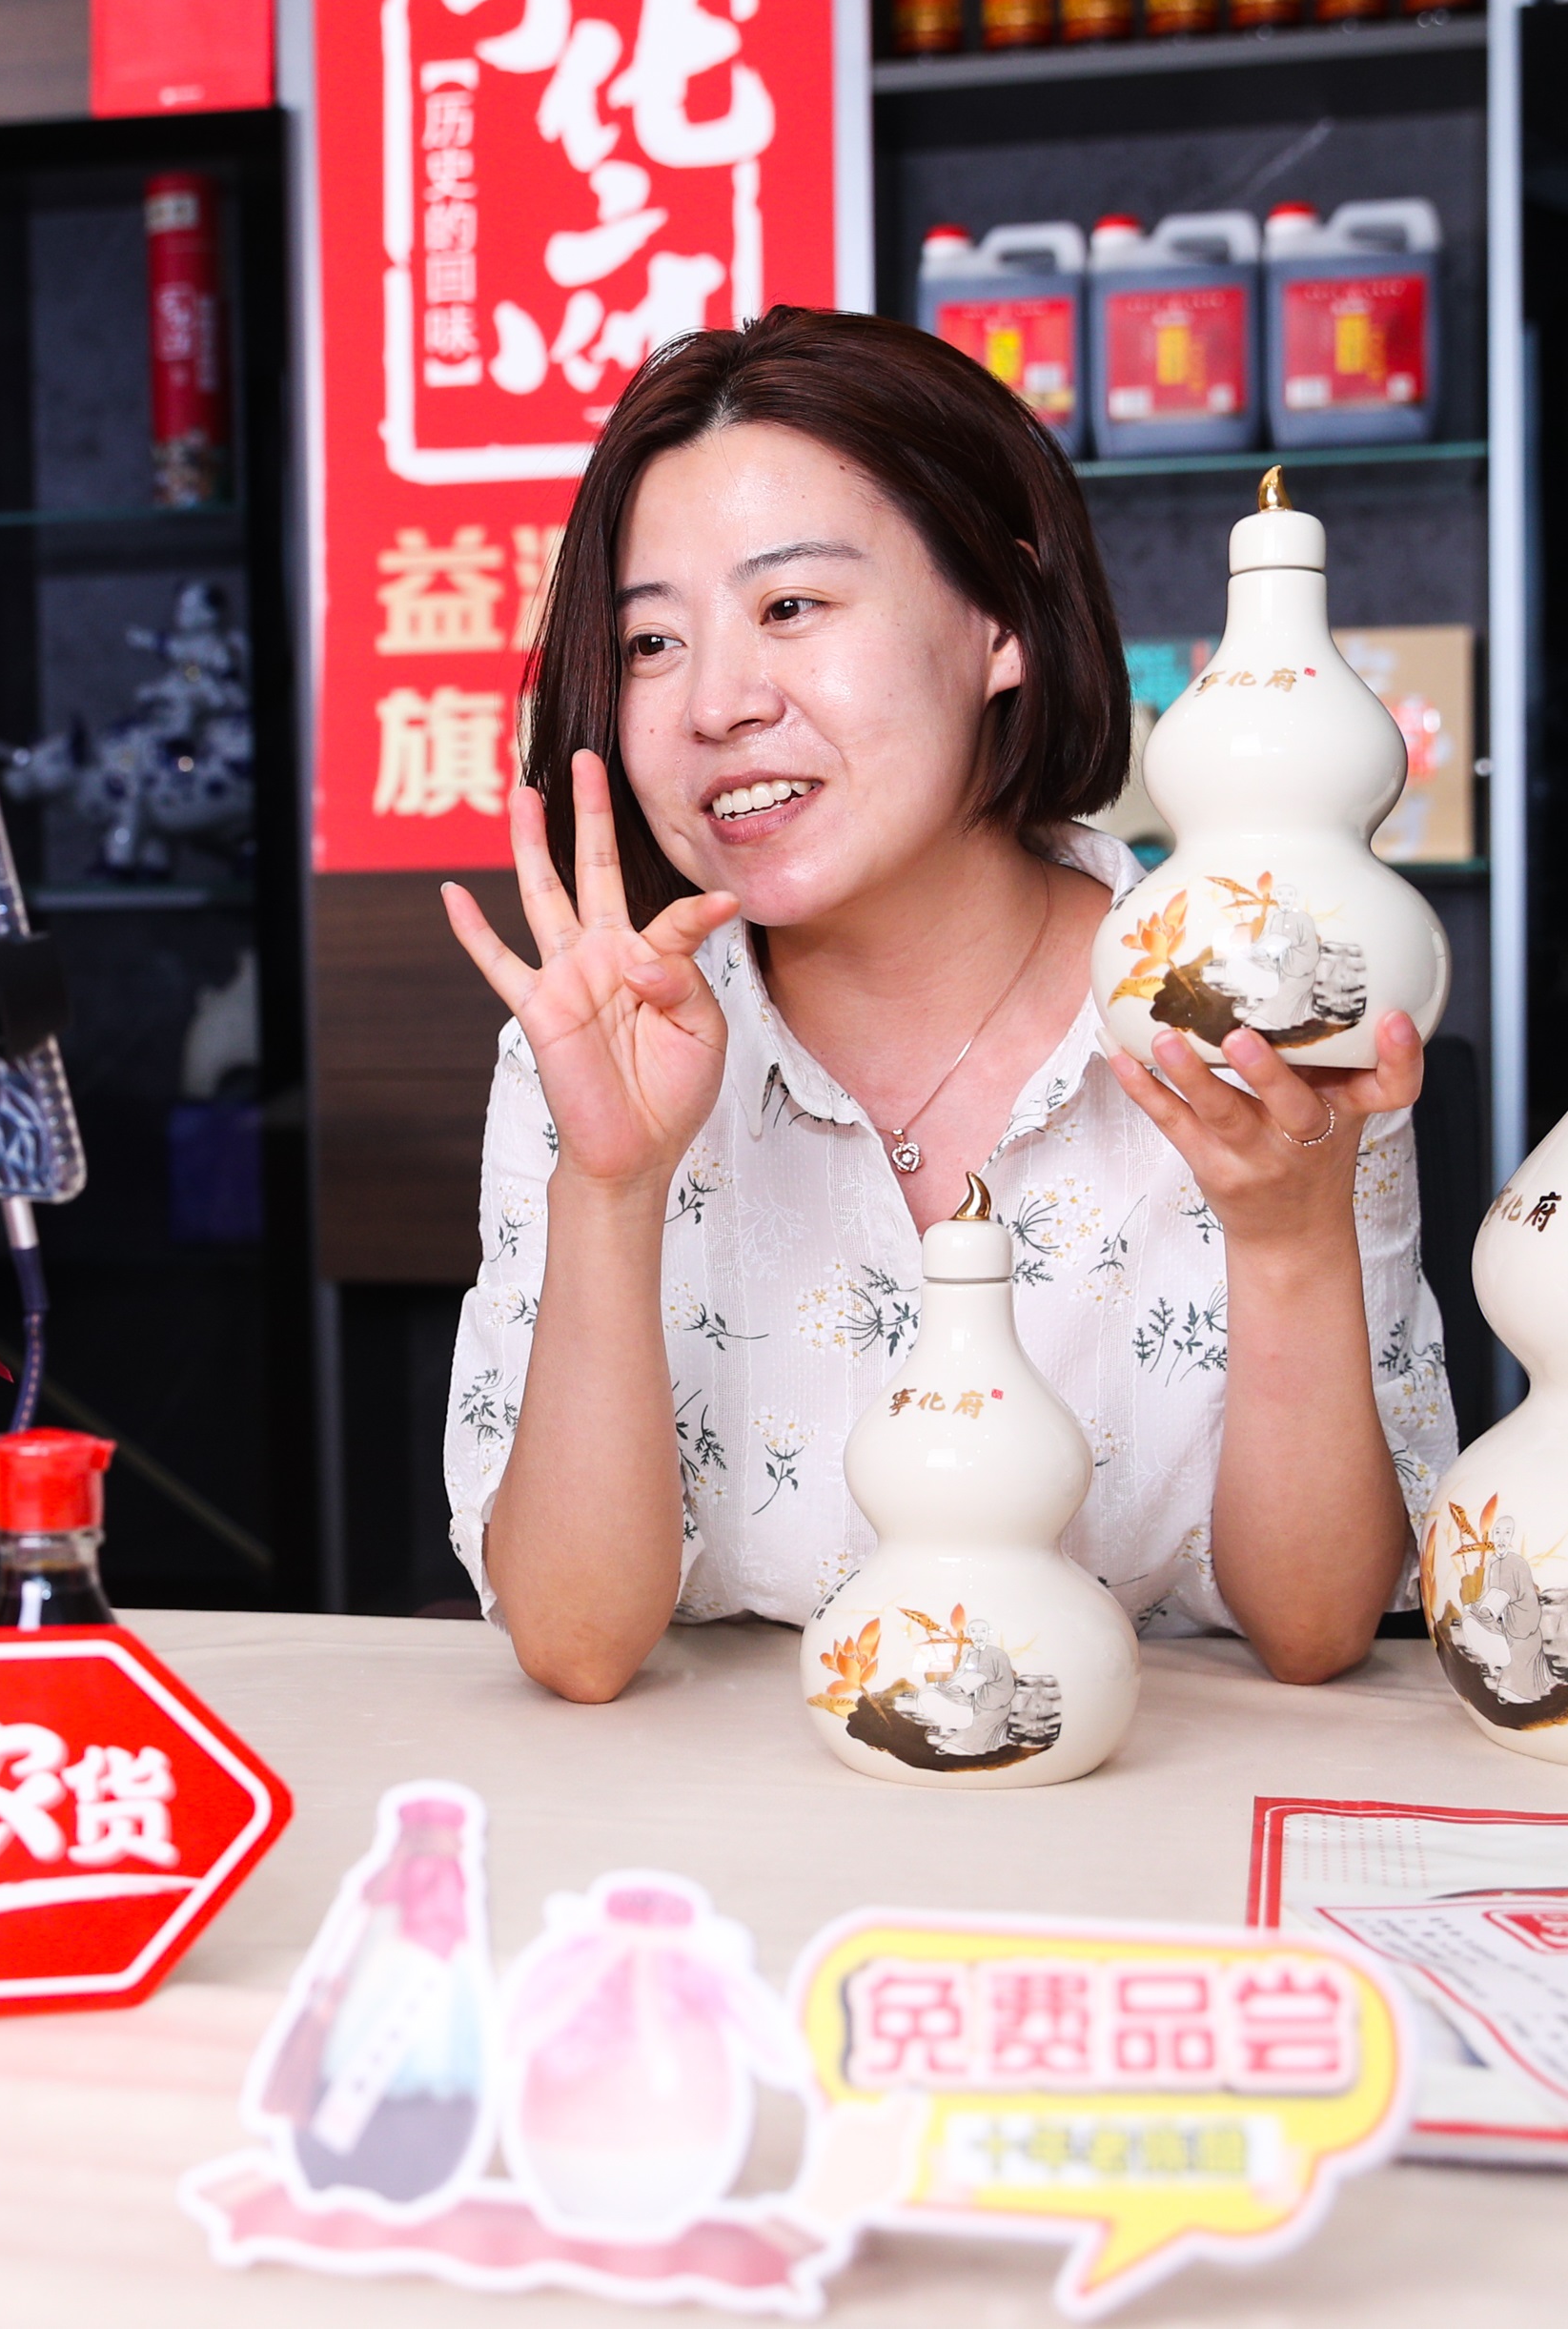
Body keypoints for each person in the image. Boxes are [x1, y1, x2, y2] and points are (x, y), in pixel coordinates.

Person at [438, 307, 1456, 1705]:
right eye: (653, 642)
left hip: (1141, 1809)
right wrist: (611, 1193)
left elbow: (1317, 1630)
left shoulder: (1254, 1014)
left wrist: (1288, 1242)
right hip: (725, 1815)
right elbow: (575, 1643)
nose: (715, 704)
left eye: (791, 608)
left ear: (1001, 622)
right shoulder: (590, 1050)